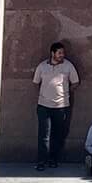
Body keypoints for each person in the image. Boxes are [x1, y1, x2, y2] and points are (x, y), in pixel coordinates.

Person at [32, 40, 78, 171]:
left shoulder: (68, 66)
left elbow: (75, 82)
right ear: (52, 53)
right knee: (43, 135)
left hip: (61, 106)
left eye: (63, 53)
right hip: (43, 106)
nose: (62, 55)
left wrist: (65, 92)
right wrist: (44, 93)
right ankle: (41, 161)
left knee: (57, 135)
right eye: (59, 53)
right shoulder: (42, 66)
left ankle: (53, 160)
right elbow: (36, 82)